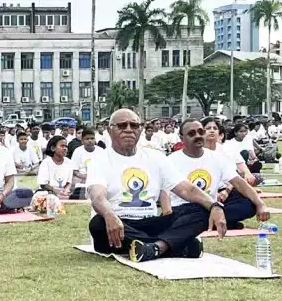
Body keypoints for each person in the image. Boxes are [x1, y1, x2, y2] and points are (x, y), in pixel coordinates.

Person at [86, 109, 227, 262]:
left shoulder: (155, 157)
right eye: (121, 126)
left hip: (150, 221)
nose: (128, 129)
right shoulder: (99, 159)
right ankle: (177, 244)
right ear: (109, 130)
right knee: (98, 223)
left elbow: (186, 189)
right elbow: (97, 196)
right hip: (119, 224)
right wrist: (109, 215)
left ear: (140, 129)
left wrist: (215, 206)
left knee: (200, 208)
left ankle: (154, 248)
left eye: (134, 125)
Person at [161, 119, 269, 230]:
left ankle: (210, 221)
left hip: (211, 207)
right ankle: (216, 222)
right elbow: (164, 192)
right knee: (185, 216)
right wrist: (167, 214)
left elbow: (238, 182)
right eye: (191, 133)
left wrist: (260, 204)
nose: (198, 136)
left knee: (249, 205)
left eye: (200, 132)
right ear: (181, 138)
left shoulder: (217, 158)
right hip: (184, 208)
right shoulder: (171, 161)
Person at [201, 117, 257, 186]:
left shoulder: (227, 148)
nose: (212, 131)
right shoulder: (197, 151)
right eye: (208, 128)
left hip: (230, 184)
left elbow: (237, 168)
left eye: (215, 128)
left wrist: (247, 174)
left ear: (220, 134)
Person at [37, 136, 75, 200]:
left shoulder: (69, 162)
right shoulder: (46, 162)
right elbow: (43, 184)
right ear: (53, 148)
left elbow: (69, 182)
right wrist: (56, 191)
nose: (65, 148)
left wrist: (65, 191)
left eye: (66, 146)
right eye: (62, 146)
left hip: (63, 192)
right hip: (48, 192)